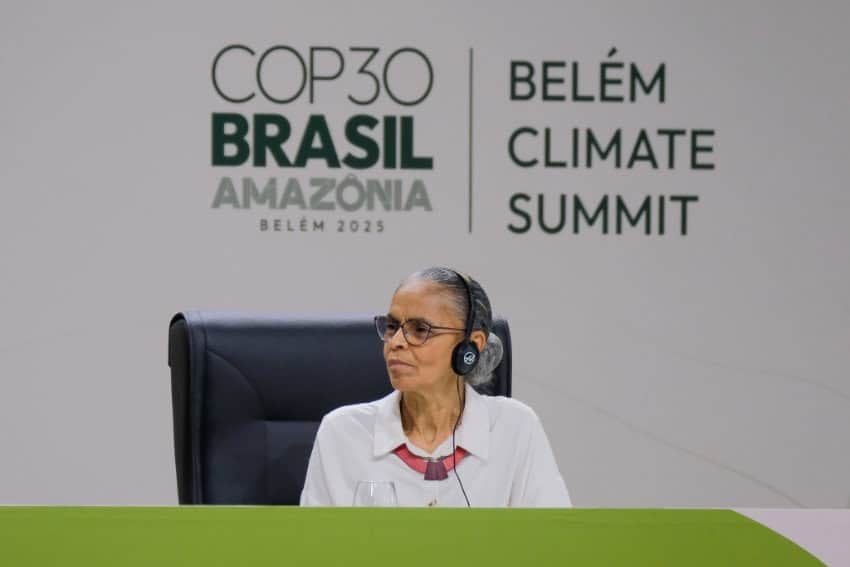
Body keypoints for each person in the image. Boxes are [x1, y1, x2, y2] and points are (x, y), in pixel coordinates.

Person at [300, 267, 571, 507]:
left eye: (420, 330)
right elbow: (315, 550)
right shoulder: (343, 433)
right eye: (392, 326)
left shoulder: (515, 427)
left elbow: (553, 545)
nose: (396, 342)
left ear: (470, 347)